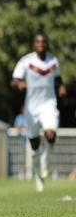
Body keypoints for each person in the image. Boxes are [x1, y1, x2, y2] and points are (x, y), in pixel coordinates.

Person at [11, 34, 66, 192]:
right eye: (38, 42)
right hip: (31, 108)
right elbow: (14, 80)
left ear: (47, 44)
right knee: (34, 143)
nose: (40, 44)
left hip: (49, 104)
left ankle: (44, 163)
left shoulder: (53, 61)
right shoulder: (26, 61)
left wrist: (61, 86)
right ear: (34, 44)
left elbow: (57, 78)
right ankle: (37, 174)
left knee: (51, 135)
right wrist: (19, 83)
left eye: (43, 42)